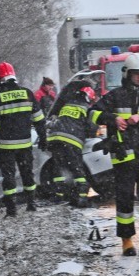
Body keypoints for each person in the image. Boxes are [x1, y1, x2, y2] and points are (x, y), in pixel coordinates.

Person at [88, 53, 139, 256]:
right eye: (136, 74)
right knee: (124, 201)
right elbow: (93, 113)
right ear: (127, 74)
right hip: (124, 157)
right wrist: (113, 119)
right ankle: (127, 242)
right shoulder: (115, 96)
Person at [0, 61, 47, 217]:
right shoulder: (27, 93)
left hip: (6, 147)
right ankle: (31, 204)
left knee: (9, 177)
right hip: (25, 144)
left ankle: (11, 210)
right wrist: (43, 137)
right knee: (27, 174)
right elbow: (39, 119)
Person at [45, 80, 98, 208]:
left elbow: (54, 117)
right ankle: (82, 197)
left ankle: (58, 195)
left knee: (58, 167)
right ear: (89, 98)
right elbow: (91, 129)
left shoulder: (67, 104)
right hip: (72, 140)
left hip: (55, 138)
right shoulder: (87, 109)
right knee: (77, 169)